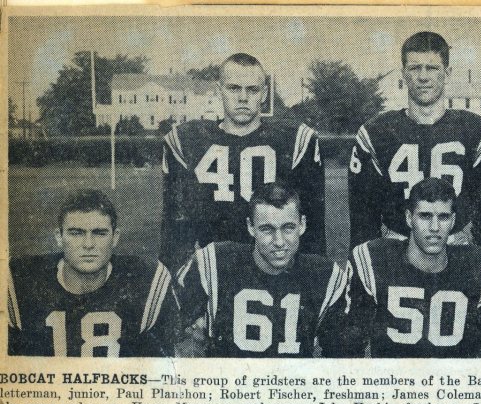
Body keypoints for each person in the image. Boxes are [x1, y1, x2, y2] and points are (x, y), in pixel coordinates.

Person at [161, 52, 326, 274]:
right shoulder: (188, 141)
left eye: (252, 89)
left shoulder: (295, 140)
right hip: (213, 271)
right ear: (219, 91)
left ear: (264, 93)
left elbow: (312, 231)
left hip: (275, 273)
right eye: (234, 88)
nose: (243, 97)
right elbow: (175, 233)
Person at [348, 31, 481, 252]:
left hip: (457, 255)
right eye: (414, 68)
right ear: (403, 74)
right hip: (396, 256)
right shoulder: (376, 132)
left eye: (432, 68)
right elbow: (362, 222)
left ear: (447, 73)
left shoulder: (476, 131)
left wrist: (473, 247)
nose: (423, 76)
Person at [322, 178, 481, 358]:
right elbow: (348, 347)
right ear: (409, 218)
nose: (434, 227)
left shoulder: (478, 264)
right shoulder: (376, 261)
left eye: (443, 217)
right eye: (425, 216)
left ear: (453, 220)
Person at [175, 182, 345, 357]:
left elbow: (342, 357)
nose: (279, 241)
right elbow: (177, 329)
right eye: (267, 229)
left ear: (302, 225)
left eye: (288, 228)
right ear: (250, 227)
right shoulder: (215, 262)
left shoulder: (323, 275)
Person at [7, 189, 175, 357]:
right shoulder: (20, 281)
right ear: (59, 237)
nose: (88, 244)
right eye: (76, 233)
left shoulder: (145, 281)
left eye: (99, 233)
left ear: (115, 238)